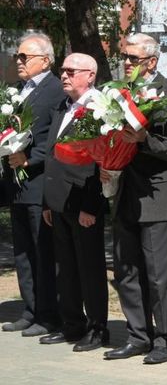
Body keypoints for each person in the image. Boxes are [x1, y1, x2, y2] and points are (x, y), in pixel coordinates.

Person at [103, 33, 167, 364]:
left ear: (152, 61)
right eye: (124, 57)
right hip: (124, 190)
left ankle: (166, 341)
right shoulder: (118, 93)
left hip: (157, 195)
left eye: (133, 59)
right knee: (126, 269)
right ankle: (138, 335)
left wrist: (144, 138)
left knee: (157, 275)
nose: (126, 63)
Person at [39, 53, 109, 352]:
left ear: (90, 75)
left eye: (71, 71)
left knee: (89, 268)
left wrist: (91, 207)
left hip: (83, 203)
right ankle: (72, 324)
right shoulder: (63, 107)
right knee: (65, 268)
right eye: (62, 70)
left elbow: (99, 164)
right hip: (59, 201)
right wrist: (47, 202)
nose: (64, 75)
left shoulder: (100, 109)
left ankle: (97, 329)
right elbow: (52, 156)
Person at [0, 34, 64, 337]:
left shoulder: (55, 91)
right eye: (17, 56)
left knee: (43, 251)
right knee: (23, 252)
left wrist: (31, 158)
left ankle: (49, 314)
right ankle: (30, 309)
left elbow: (57, 135)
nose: (19, 61)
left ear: (45, 60)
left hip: (39, 182)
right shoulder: (16, 91)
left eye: (25, 56)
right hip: (17, 183)